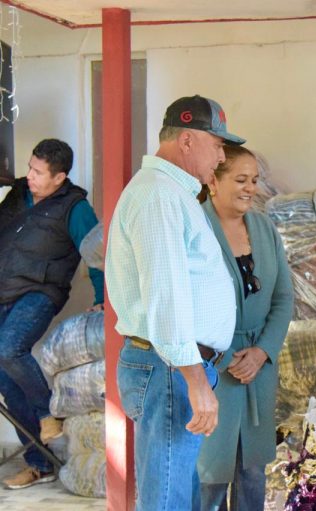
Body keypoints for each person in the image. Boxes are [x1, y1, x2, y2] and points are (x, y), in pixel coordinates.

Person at [105, 95, 244, 510]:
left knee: (176, 493)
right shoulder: (159, 195)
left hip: (176, 367)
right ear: (187, 140)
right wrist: (195, 379)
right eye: (217, 144)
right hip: (171, 369)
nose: (222, 156)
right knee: (166, 499)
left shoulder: (172, 192)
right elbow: (166, 296)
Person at [0, 138, 103, 490]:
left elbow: (97, 252)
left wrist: (104, 297)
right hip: (3, 289)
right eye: (30, 167)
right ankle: (38, 462)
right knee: (4, 378)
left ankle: (48, 412)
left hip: (40, 292)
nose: (29, 176)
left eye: (38, 172)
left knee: (9, 348)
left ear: (59, 178)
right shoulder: (17, 195)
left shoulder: (75, 207)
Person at [196, 145, 293, 511]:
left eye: (254, 180)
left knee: (253, 470)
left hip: (258, 369)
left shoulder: (264, 228)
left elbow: (284, 298)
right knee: (211, 474)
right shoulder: (196, 228)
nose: (250, 188)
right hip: (211, 368)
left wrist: (263, 351)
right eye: (240, 179)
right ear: (213, 181)